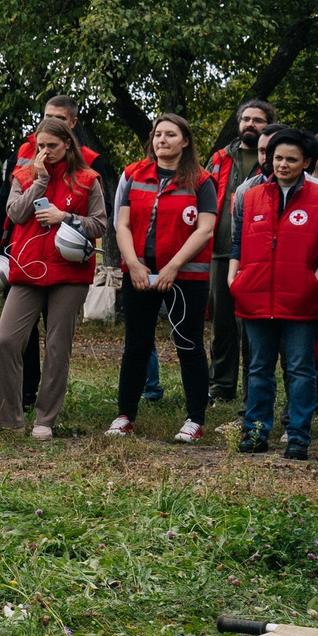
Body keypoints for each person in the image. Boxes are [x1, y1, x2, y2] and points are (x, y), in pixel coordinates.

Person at [0, 118, 106, 439]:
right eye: (40, 146)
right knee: (6, 341)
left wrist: (65, 217)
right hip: (27, 268)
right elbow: (15, 214)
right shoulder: (23, 175)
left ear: (68, 144)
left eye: (52, 146)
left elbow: (100, 224)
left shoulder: (88, 179)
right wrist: (39, 182)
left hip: (69, 272)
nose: (45, 152)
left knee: (57, 347)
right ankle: (7, 420)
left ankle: (45, 420)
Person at [106, 114, 219, 442]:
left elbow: (205, 229)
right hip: (139, 274)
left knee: (189, 344)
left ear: (185, 141)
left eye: (170, 134)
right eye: (158, 135)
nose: (162, 140)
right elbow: (122, 224)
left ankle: (195, 419)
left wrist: (173, 266)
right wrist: (134, 264)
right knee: (136, 346)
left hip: (186, 277)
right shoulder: (133, 174)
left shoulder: (202, 180)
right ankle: (124, 416)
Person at [227, 127, 318, 459]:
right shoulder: (250, 197)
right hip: (255, 296)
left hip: (302, 299)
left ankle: (298, 436)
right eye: (278, 158)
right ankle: (256, 432)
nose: (283, 164)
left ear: (306, 162)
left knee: (301, 370)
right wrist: (234, 278)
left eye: (291, 159)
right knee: (259, 368)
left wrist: (314, 281)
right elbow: (237, 242)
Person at [207, 99, 277, 403]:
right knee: (221, 325)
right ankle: (220, 387)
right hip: (219, 253)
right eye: (246, 119)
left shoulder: (275, 161)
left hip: (256, 257)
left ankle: (255, 388)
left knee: (252, 327)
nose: (250, 124)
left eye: (258, 120)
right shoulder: (221, 158)